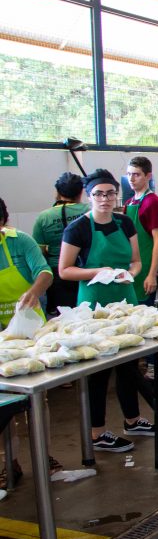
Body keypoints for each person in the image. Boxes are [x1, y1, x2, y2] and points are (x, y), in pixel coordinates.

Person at [59, 169, 149, 452]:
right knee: (98, 370)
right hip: (94, 306)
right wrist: (99, 271)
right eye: (99, 193)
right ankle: (97, 433)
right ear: (89, 195)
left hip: (124, 300)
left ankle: (132, 420)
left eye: (111, 193)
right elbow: (64, 270)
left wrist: (130, 274)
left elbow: (135, 261)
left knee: (128, 363)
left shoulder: (124, 223)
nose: (106, 199)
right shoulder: (78, 228)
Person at [0, 196, 59, 487]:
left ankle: (43, 454)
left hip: (29, 328)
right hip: (1, 335)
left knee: (37, 395)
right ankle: (5, 460)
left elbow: (45, 272)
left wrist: (35, 290)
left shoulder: (19, 242)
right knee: (3, 399)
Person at [32, 172, 90, 314]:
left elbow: (39, 253)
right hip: (88, 271)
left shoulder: (44, 217)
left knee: (63, 319)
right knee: (90, 315)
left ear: (57, 192)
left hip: (57, 275)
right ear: (81, 191)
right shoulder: (90, 211)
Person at [123, 157, 158, 305]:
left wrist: (152, 274)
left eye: (136, 174)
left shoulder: (152, 202)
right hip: (131, 268)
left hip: (146, 267)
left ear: (148, 176)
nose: (131, 179)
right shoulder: (128, 203)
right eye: (129, 174)